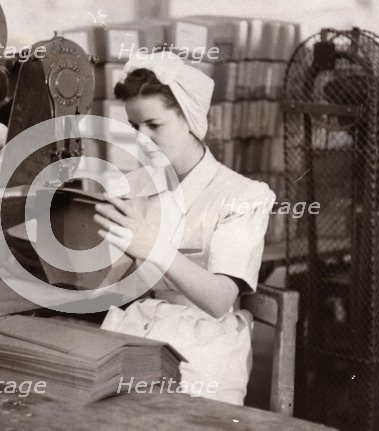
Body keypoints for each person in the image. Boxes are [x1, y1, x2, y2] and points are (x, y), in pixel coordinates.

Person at [93, 51, 275, 405]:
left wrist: (151, 247)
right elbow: (109, 286)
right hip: (140, 327)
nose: (141, 140)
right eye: (134, 127)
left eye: (154, 125)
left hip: (204, 343)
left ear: (190, 118)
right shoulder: (131, 186)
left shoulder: (242, 195)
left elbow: (220, 300)